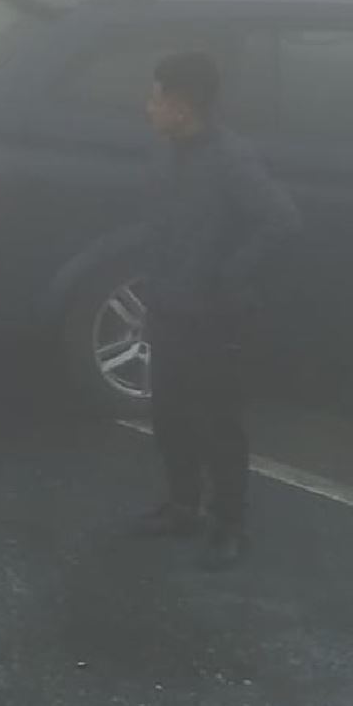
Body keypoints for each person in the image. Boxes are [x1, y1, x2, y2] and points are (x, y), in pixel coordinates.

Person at [132, 49, 299, 569]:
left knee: (219, 423)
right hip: (168, 309)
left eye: (155, 96)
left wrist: (229, 274)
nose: (148, 107)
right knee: (169, 414)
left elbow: (281, 220)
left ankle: (230, 522)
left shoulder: (231, 159)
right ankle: (182, 506)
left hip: (215, 319)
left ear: (181, 105)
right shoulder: (165, 153)